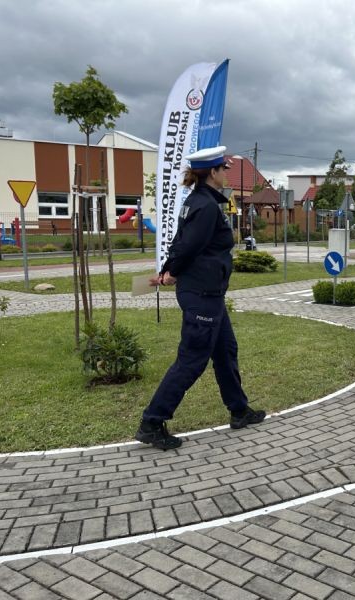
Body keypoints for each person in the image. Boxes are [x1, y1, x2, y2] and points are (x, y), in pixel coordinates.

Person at [135, 145, 265, 450]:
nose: (226, 175)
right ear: (213, 172)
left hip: (211, 294)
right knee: (192, 359)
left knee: (225, 351)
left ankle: (239, 410)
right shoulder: (205, 206)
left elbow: (180, 242)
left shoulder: (198, 201)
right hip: (202, 294)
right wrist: (172, 272)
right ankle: (152, 422)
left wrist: (168, 270)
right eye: (223, 170)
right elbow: (188, 246)